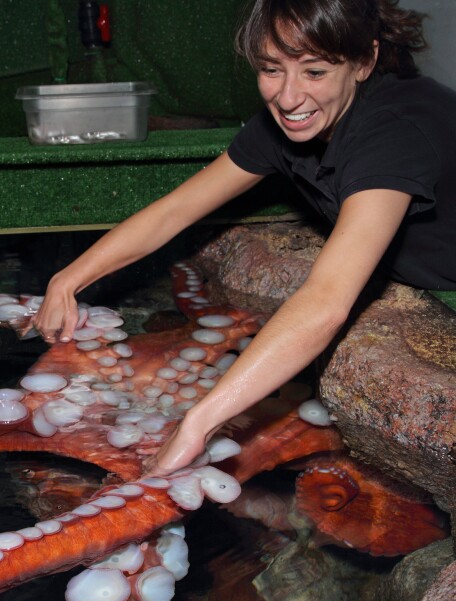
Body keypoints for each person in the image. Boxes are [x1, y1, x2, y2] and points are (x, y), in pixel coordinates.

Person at [29, 0, 456, 477]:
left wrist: (200, 422)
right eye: (272, 69)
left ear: (364, 62)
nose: (289, 97)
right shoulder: (283, 127)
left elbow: (327, 301)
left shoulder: (391, 134)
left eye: (314, 72)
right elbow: (174, 212)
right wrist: (67, 280)